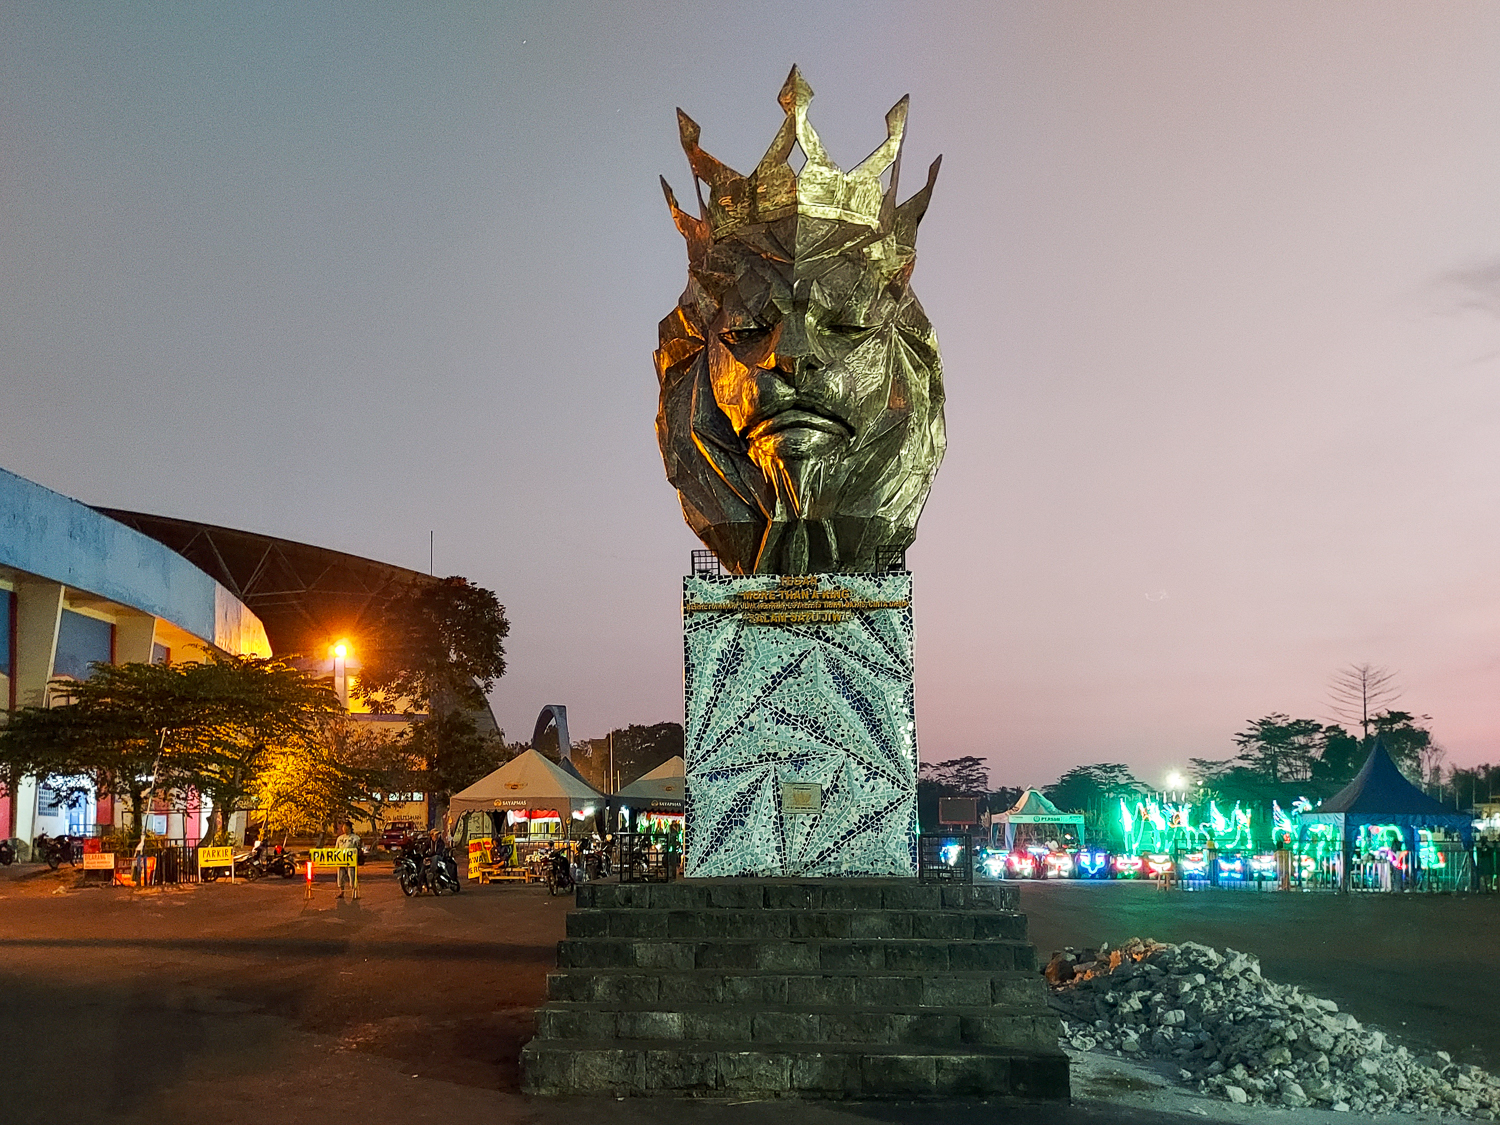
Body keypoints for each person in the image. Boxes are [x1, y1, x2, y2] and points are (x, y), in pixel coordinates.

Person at [335, 821, 361, 898]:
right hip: (341, 861)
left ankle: (354, 892)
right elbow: (336, 849)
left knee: (352, 876)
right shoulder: (340, 838)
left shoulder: (355, 838)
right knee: (340, 876)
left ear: (350, 828)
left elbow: (359, 848)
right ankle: (341, 892)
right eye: (343, 827)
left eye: (345, 827)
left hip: (350, 861)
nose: (344, 829)